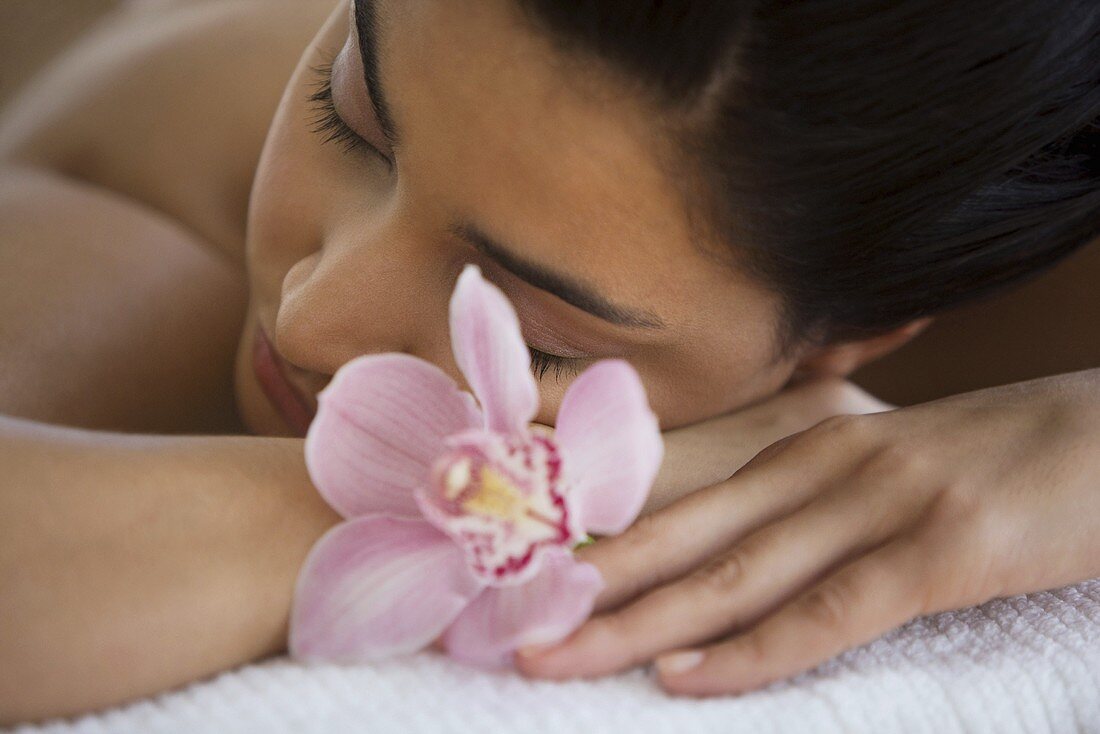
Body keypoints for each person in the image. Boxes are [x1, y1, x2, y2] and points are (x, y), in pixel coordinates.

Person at [1, 0, 1098, 722]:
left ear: (848, 341)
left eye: (539, 335)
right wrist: (492, 504)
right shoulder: (145, 248)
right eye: (350, 123)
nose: (312, 319)